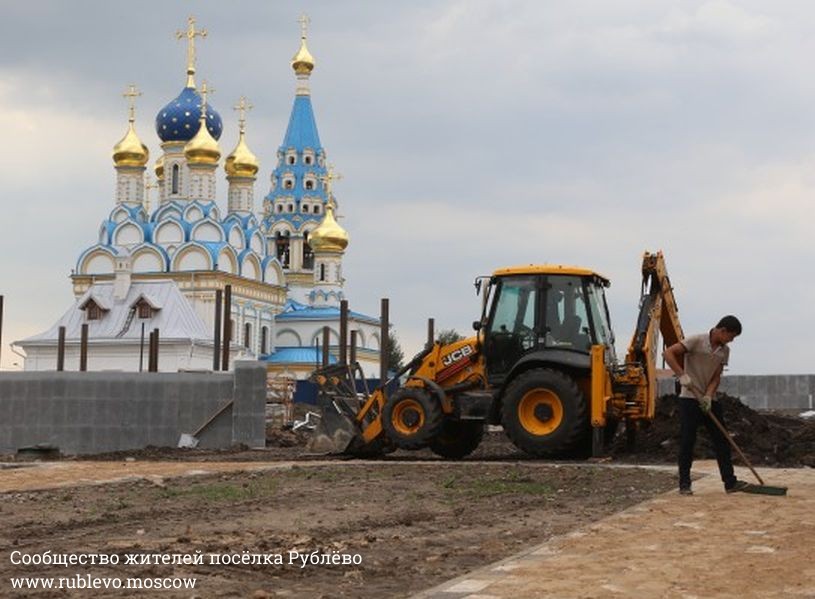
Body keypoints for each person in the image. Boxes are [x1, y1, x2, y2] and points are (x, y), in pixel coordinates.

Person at [663, 315, 749, 495]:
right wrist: (681, 375)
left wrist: (709, 396)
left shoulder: (724, 351)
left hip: (708, 400)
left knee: (722, 440)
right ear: (722, 330)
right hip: (688, 398)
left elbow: (716, 377)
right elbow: (668, 353)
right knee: (688, 441)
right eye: (731, 336)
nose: (731, 341)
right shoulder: (696, 340)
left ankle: (730, 483)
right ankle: (684, 484)